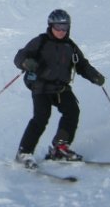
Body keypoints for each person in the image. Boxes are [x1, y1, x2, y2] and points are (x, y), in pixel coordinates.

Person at [13, 9, 105, 169]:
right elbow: (20, 56)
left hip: (61, 88)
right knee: (41, 117)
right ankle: (24, 153)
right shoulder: (40, 41)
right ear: (50, 26)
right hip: (41, 86)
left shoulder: (70, 46)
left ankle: (60, 148)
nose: (61, 31)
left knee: (72, 112)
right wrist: (25, 63)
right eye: (58, 27)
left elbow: (81, 65)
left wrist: (94, 75)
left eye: (65, 27)